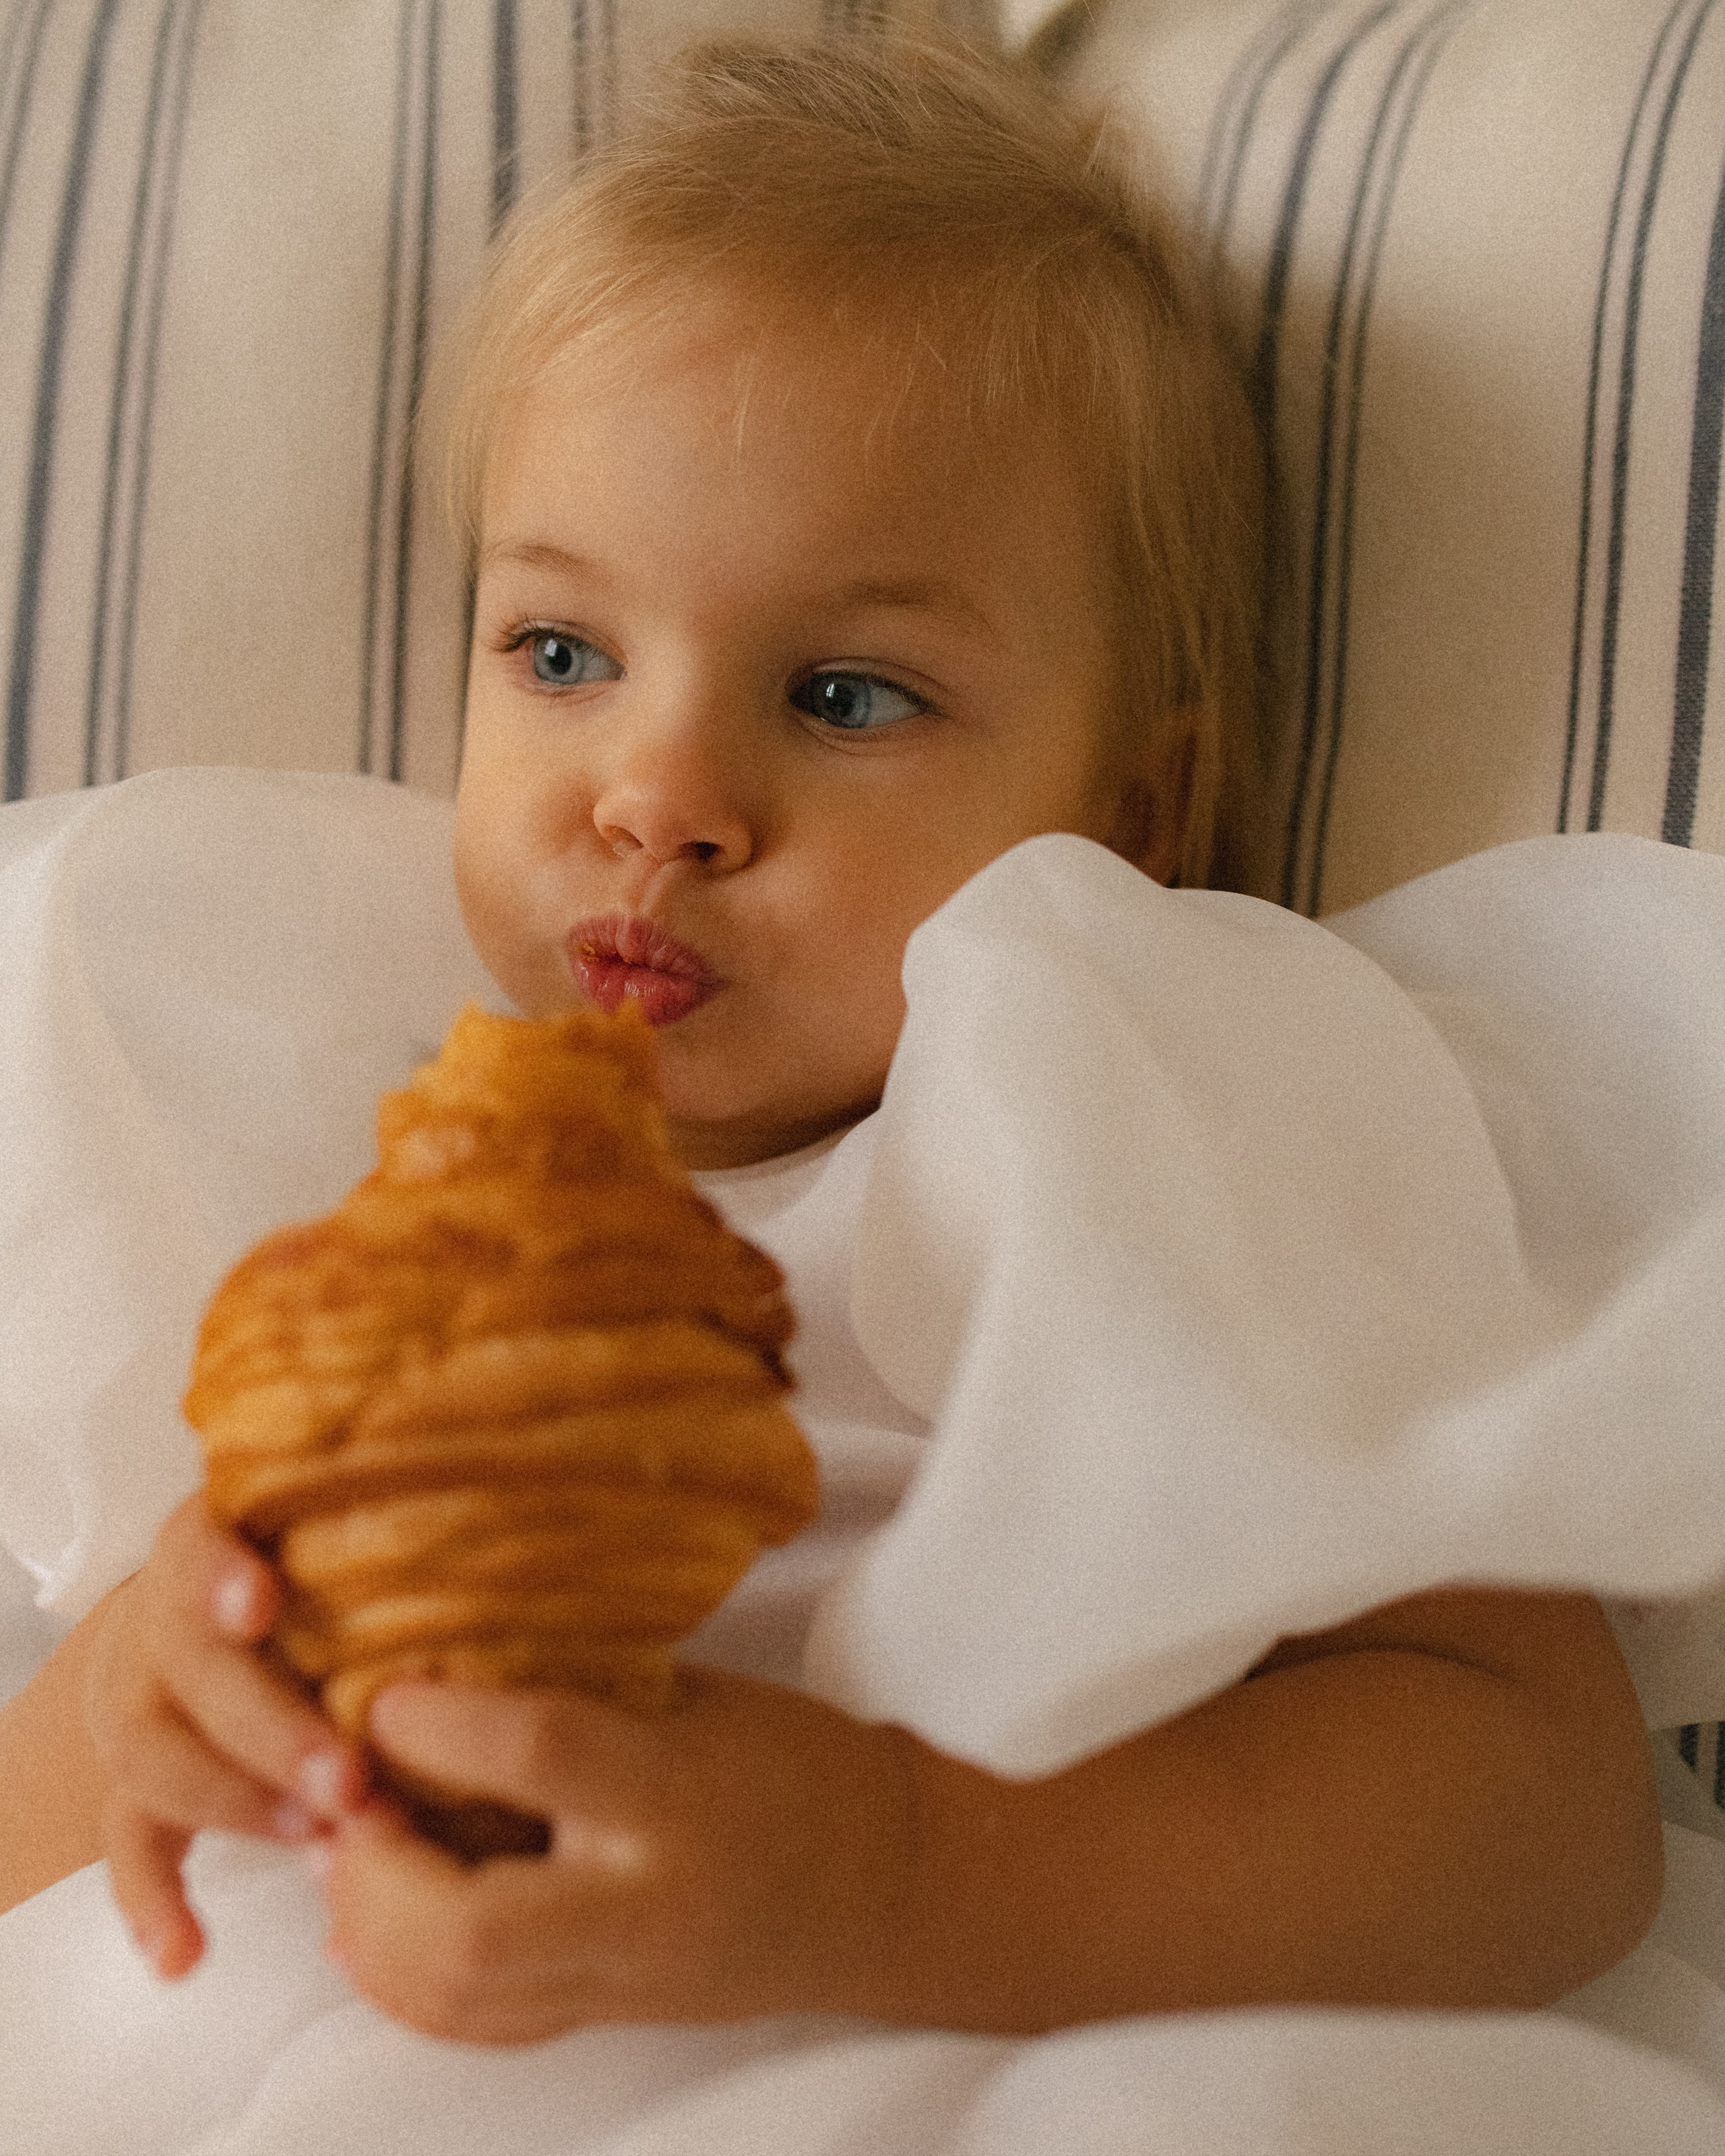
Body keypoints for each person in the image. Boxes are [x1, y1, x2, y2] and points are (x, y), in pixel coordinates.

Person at [0, 38, 1661, 2044]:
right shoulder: (316, 1161)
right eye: (559, 651)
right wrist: (136, 1703)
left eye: (848, 694)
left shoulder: (1133, 1106)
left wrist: (894, 1870)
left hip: (950, 2048)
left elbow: (1550, 1814)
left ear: (1131, 816)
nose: (657, 793)